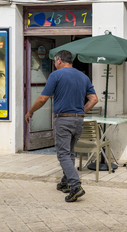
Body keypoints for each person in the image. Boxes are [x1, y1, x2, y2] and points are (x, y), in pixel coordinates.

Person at [25, 50, 98, 202]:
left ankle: (75, 186)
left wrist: (30, 111)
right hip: (78, 121)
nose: (54, 63)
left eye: (54, 61)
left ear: (59, 60)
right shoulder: (83, 76)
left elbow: (43, 98)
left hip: (63, 120)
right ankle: (65, 182)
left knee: (63, 154)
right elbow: (94, 99)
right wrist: (80, 112)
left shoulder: (56, 75)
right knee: (69, 152)